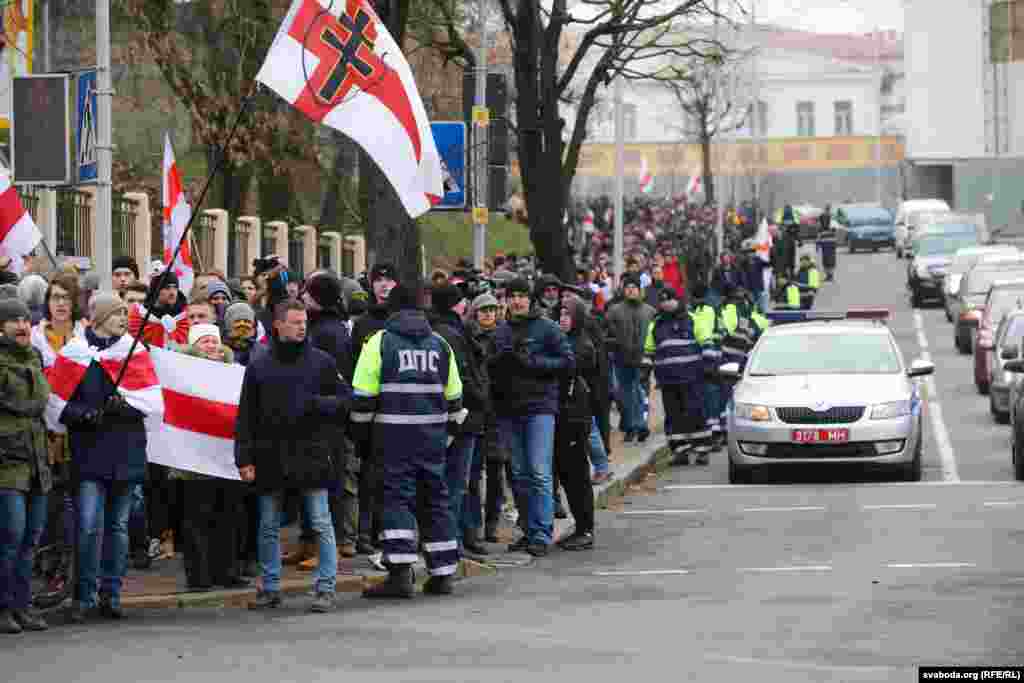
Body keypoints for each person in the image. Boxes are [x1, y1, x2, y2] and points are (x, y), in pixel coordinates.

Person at [235, 299, 351, 613]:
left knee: (320, 522)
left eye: (304, 322)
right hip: (270, 453)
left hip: (311, 452)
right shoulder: (260, 364)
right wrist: (243, 458)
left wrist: (319, 405)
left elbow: (344, 400)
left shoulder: (322, 362)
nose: (302, 327)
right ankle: (270, 587)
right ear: (278, 324)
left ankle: (326, 587)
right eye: (296, 322)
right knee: (268, 524)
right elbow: (246, 413)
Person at [55, 293, 162, 623]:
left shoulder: (135, 351)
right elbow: (55, 403)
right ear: (99, 317)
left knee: (117, 527)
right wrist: (85, 414)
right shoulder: (74, 354)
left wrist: (125, 407)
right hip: (89, 453)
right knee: (88, 525)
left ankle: (111, 593)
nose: (123, 319)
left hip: (126, 452)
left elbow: (152, 403)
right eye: (116, 314)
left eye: (125, 313)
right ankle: (83, 595)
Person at [352, 284, 464, 598]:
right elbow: (455, 398)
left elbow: (362, 398)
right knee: (435, 502)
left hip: (392, 438)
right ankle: (442, 574)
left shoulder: (380, 343)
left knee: (396, 500)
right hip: (432, 440)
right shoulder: (440, 344)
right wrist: (446, 436)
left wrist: (362, 438)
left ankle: (400, 574)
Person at [488, 278, 574, 557]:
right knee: (520, 475)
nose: (517, 301)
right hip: (509, 409)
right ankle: (528, 529)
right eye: (512, 296)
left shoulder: (547, 327)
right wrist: (501, 362)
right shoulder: (501, 332)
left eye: (522, 295)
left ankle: (541, 532)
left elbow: (567, 361)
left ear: (530, 298)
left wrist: (534, 363)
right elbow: (489, 366)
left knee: (539, 472)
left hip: (540, 408)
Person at [175, 324, 249, 592]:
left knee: (228, 516)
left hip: (225, 458)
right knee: (197, 518)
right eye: (204, 341)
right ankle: (199, 576)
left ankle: (227, 571)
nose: (211, 346)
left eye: (214, 341)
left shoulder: (235, 373)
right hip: (194, 461)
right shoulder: (182, 373)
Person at [0, 298, 53, 634]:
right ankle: (4, 607)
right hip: (7, 464)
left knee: (30, 540)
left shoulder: (34, 357)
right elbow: (24, 401)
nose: (22, 326)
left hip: (36, 463)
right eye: (13, 321)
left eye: (25, 321)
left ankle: (22, 605)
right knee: (10, 538)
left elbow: (41, 405)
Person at [302, 271, 358, 561]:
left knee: (329, 480)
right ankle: (309, 540)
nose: (302, 297)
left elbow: (332, 377)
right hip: (318, 413)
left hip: (327, 416)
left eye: (308, 293)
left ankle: (330, 544)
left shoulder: (329, 332)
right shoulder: (321, 326)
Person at [431, 284, 490, 556]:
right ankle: (451, 541)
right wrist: (481, 397)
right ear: (456, 305)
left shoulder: (449, 331)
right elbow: (463, 378)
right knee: (456, 483)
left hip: (459, 417)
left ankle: (459, 536)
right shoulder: (452, 334)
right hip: (462, 417)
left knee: (460, 481)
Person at [350, 262, 397, 556]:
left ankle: (388, 530)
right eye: (378, 280)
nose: (383, 285)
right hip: (371, 408)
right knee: (368, 475)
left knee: (394, 476)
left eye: (388, 279)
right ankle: (365, 531)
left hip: (398, 407)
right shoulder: (364, 323)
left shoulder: (402, 320)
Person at [644, 288, 709, 465]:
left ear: (677, 300)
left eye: (669, 300)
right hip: (668, 380)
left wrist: (709, 368)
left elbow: (706, 342)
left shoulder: (691, 319)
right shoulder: (656, 324)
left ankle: (702, 450)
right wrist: (645, 372)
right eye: (663, 301)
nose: (666, 303)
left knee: (695, 412)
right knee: (674, 416)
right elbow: (649, 350)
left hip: (692, 377)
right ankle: (680, 451)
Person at [554, 296, 596, 550]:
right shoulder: (565, 341)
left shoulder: (582, 345)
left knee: (577, 474)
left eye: (567, 314)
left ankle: (586, 528)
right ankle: (580, 526)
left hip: (575, 417)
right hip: (563, 415)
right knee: (568, 475)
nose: (562, 319)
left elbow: (567, 369)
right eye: (560, 314)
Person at [604, 274, 656, 443]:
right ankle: (633, 425)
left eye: (634, 287)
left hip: (644, 359)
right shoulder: (614, 310)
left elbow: (655, 334)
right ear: (623, 290)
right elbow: (605, 333)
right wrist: (615, 343)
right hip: (622, 358)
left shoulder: (650, 311)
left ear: (640, 290)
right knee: (625, 393)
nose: (631, 290)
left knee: (639, 391)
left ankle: (638, 425)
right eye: (628, 288)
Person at [690, 281, 721, 462]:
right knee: (708, 397)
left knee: (708, 397)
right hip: (709, 358)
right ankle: (711, 435)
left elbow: (704, 334)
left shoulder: (705, 310)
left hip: (707, 359)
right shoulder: (707, 308)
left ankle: (711, 437)